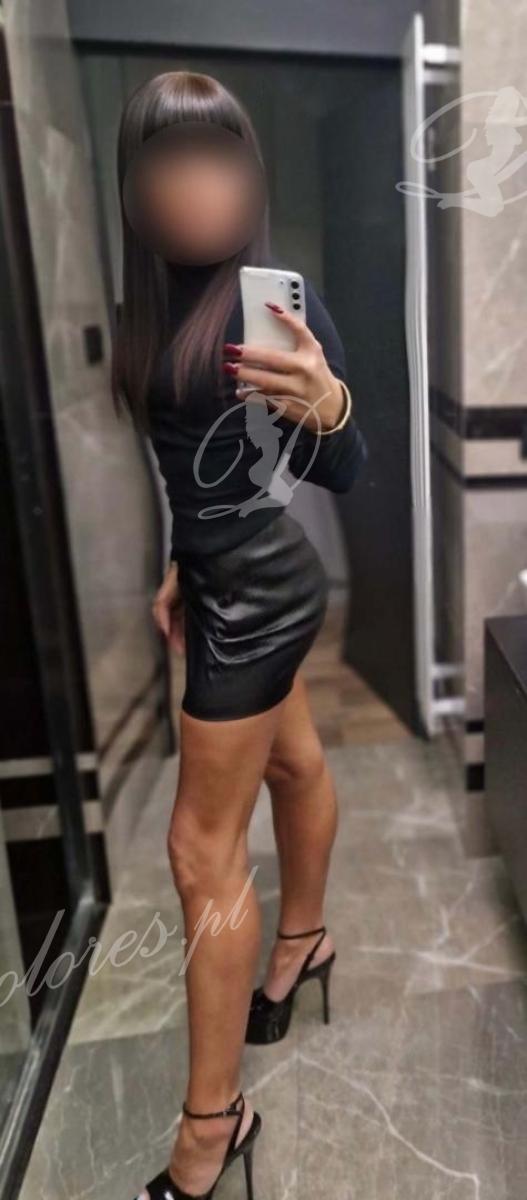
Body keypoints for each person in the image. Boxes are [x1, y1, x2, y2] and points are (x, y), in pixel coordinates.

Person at [112, 69, 368, 1200]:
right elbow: (194, 469)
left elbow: (344, 466)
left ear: (249, 174)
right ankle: (303, 941)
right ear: (136, 186)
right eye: (171, 159)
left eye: (218, 157)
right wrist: (182, 560)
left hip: (262, 596)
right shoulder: (155, 299)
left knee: (196, 850)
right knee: (293, 764)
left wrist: (327, 404)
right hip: (221, 578)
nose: (197, 184)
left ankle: (212, 1122)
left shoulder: (275, 304)